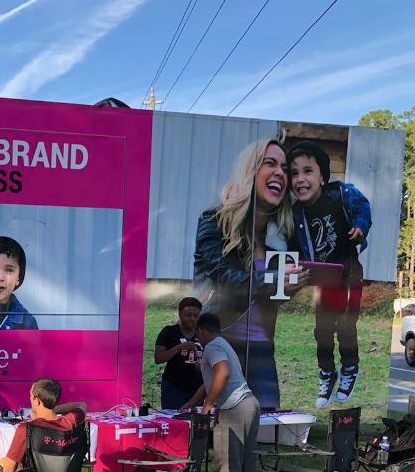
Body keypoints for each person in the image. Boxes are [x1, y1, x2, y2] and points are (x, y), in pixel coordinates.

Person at [193, 137, 307, 410]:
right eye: (270, 163)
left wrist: (290, 287)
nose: (280, 172)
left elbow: (266, 297)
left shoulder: (278, 239)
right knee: (220, 427)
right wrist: (275, 281)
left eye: (285, 168)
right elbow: (227, 281)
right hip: (222, 346)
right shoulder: (215, 221)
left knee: (266, 423)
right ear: (250, 171)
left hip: (262, 350)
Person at [287, 140, 373, 407]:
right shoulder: (295, 213)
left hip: (349, 274)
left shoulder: (340, 194)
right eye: (294, 173)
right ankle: (327, 373)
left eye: (308, 171)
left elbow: (363, 206)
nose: (300, 178)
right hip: (324, 280)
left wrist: (360, 226)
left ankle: (350, 368)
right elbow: (292, 248)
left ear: (323, 177)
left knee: (346, 326)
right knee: (322, 330)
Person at [180, 313, 263, 472]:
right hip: (250, 403)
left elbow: (222, 374)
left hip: (233, 408)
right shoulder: (223, 344)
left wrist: (207, 406)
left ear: (201, 330)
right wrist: (193, 402)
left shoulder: (211, 346)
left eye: (198, 334)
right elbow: (210, 381)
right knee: (248, 458)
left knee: (228, 460)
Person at [154, 296, 204, 409]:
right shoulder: (169, 332)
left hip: (197, 389)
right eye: (188, 315)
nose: (192, 318)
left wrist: (203, 367)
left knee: (195, 419)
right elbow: (158, 358)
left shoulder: (203, 333)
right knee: (173, 417)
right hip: (173, 387)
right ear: (180, 314)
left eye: (196, 316)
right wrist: (179, 347)